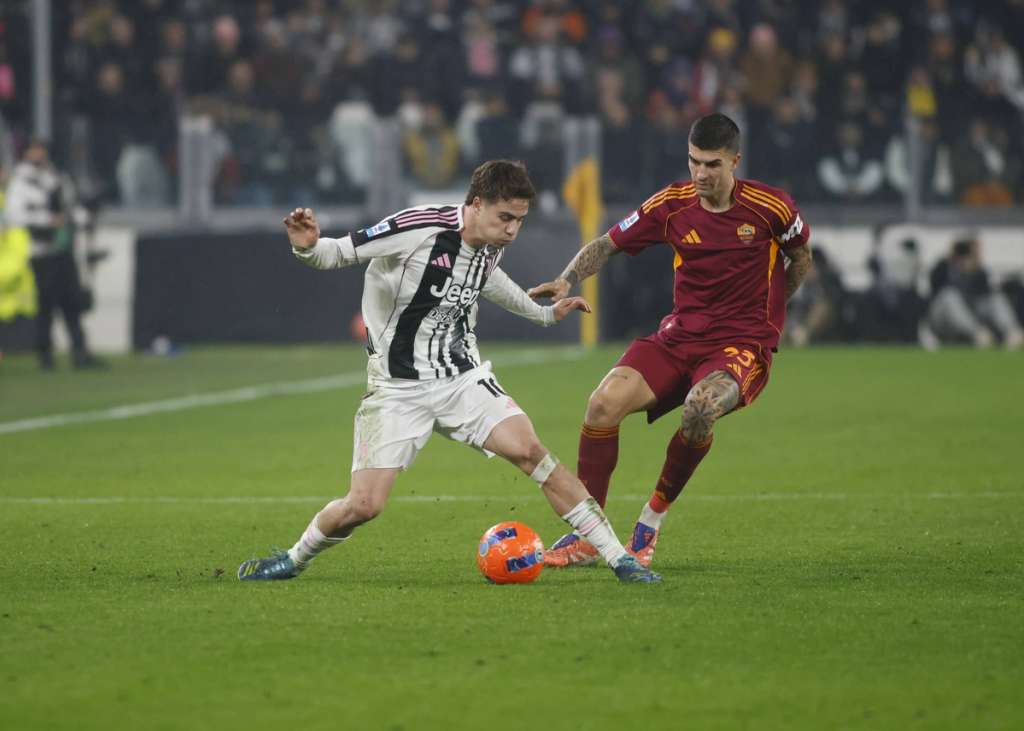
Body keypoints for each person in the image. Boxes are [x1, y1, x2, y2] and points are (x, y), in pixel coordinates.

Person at [238, 160, 660, 583]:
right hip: (396, 387)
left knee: (532, 452)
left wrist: (545, 315)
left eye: (520, 220)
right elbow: (340, 252)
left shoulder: (491, 243)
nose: (512, 230)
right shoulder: (418, 228)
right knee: (364, 505)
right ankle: (293, 559)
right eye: (505, 217)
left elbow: (488, 279)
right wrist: (308, 247)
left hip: (461, 378)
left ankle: (618, 558)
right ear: (476, 204)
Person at [528, 113, 812, 569]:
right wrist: (567, 279)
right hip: (679, 336)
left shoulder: (771, 207)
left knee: (700, 408)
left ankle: (650, 520)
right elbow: (607, 243)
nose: (701, 173)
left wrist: (771, 318)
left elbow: (801, 259)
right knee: (602, 404)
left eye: (712, 164)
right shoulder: (672, 204)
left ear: (735, 161)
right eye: (694, 161)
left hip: (739, 344)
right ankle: (588, 537)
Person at [3, 140, 103, 370]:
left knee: (71, 302)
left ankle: (80, 352)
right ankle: (45, 355)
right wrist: (48, 220)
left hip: (63, 248)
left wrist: (82, 218)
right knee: (46, 304)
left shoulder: (56, 176)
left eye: (41, 150)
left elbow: (70, 207)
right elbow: (14, 215)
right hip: (41, 252)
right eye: (34, 150)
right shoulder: (21, 182)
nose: (39, 154)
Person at [926, 237, 1024, 350]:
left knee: (995, 298)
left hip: (969, 315)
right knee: (950, 295)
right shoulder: (943, 266)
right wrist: (953, 266)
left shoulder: (978, 271)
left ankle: (1013, 332)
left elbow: (985, 293)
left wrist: (973, 272)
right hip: (941, 319)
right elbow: (936, 290)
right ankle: (978, 334)